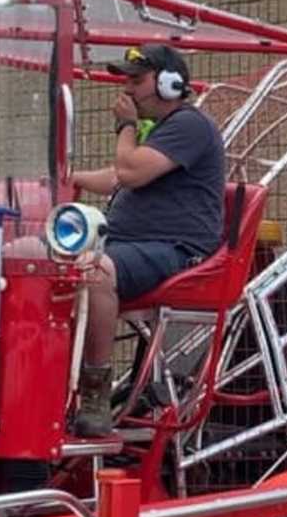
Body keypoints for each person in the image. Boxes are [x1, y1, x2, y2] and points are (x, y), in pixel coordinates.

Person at [69, 44, 225, 437]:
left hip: (175, 251)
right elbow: (118, 175)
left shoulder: (190, 125)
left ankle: (95, 396)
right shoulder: (161, 134)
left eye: (137, 80)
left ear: (172, 84)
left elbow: (131, 171)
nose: (128, 89)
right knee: (38, 258)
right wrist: (68, 178)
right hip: (129, 244)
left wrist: (125, 126)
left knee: (95, 272)